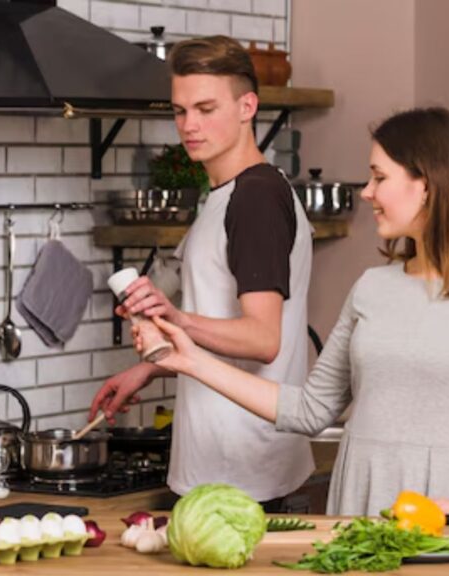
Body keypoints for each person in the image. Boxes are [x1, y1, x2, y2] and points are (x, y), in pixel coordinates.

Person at [140, 107, 449, 516]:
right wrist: (189, 361)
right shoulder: (372, 287)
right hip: (357, 507)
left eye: (378, 177)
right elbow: (311, 409)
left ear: (426, 184)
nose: (367, 192)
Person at [88, 36, 316, 508]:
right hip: (225, 463)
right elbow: (216, 313)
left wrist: (177, 318)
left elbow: (261, 337)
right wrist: (147, 369)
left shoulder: (255, 200)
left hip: (243, 470)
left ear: (247, 105)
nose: (189, 126)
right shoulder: (226, 196)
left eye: (206, 108)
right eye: (180, 111)